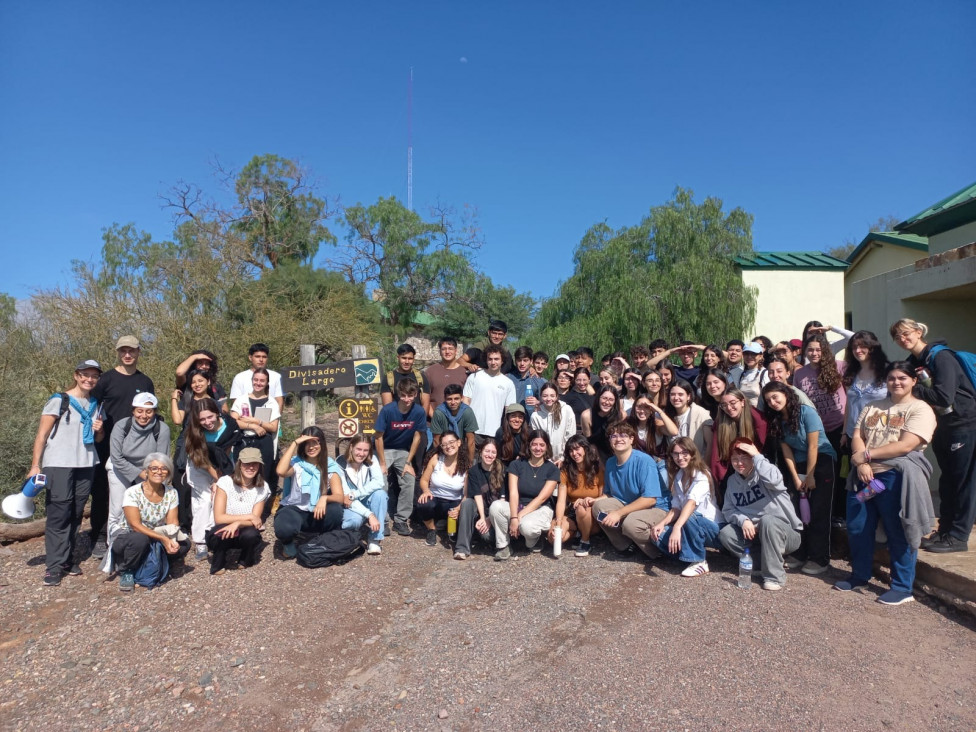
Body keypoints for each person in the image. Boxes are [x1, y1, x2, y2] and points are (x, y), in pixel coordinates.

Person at [838, 361, 937, 604]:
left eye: (902, 378)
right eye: (892, 378)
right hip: (867, 479)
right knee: (858, 526)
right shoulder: (873, 406)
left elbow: (906, 445)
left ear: (913, 381)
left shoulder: (920, 409)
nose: (896, 382)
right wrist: (861, 463)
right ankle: (859, 575)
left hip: (895, 478)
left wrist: (867, 456)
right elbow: (857, 435)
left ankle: (902, 588)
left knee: (898, 530)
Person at [892, 318, 976, 553]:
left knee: (963, 482)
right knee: (947, 481)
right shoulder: (914, 362)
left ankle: (958, 536)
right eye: (897, 337)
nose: (902, 339)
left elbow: (943, 397)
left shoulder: (942, 357)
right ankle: (945, 531)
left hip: (964, 424)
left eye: (906, 333)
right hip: (941, 426)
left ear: (918, 332)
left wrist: (913, 387)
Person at [29, 359, 105, 586]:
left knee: (76, 512)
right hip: (59, 463)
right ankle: (53, 565)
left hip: (86, 463)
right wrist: (35, 465)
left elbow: (98, 439)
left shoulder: (96, 404)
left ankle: (67, 559)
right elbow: (42, 435)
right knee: (59, 512)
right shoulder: (59, 400)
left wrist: (100, 431)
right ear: (76, 375)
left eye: (94, 376)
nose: (89, 379)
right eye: (85, 374)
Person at [89, 336, 155, 560]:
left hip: (137, 448)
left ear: (138, 352)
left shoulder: (145, 381)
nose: (127, 355)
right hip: (106, 444)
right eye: (123, 351)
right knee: (102, 492)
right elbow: (92, 408)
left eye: (132, 351)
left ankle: (136, 533)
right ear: (118, 353)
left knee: (137, 491)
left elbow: (150, 411)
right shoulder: (106, 379)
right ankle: (100, 536)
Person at [762, 381, 837, 575]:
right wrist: (795, 477)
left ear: (786, 394)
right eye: (768, 400)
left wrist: (810, 475)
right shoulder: (777, 420)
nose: (772, 402)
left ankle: (819, 558)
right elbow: (786, 451)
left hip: (821, 460)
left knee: (819, 510)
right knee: (796, 510)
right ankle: (799, 552)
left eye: (775, 397)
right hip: (798, 463)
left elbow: (813, 446)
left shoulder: (806, 412)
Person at [719, 438, 802, 591]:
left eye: (745, 458)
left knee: (768, 521)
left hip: (785, 534)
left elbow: (774, 480)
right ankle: (758, 565)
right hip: (755, 535)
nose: (739, 463)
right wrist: (743, 520)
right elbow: (728, 510)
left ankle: (774, 577)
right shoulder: (732, 481)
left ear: (753, 456)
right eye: (735, 459)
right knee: (726, 533)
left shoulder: (766, 471)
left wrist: (757, 456)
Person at [591, 421, 671, 558]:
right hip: (630, 504)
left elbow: (650, 499)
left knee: (631, 523)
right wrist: (593, 500)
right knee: (599, 507)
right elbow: (610, 494)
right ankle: (626, 545)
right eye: (614, 436)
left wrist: (619, 513)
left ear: (631, 439)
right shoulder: (610, 462)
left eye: (623, 435)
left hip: (657, 507)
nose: (618, 439)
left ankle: (659, 551)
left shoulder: (644, 461)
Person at [108, 453, 188, 590]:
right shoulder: (132, 492)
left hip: (156, 532)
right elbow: (135, 525)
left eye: (164, 468)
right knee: (140, 539)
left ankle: (156, 562)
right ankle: (127, 570)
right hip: (129, 535)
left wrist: (171, 540)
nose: (159, 472)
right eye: (154, 468)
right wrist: (163, 539)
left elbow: (173, 522)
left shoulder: (171, 492)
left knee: (184, 543)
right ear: (146, 471)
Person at [178, 398, 241, 560]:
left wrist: (220, 480)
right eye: (202, 419)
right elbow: (200, 458)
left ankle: (214, 536)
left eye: (210, 417)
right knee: (204, 501)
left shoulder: (230, 425)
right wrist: (216, 478)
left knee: (219, 499)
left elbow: (227, 450)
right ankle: (200, 542)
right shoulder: (194, 431)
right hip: (200, 465)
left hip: (223, 463)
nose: (207, 422)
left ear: (217, 413)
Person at [794, 333, 847, 519]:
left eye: (818, 349)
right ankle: (828, 514)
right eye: (810, 350)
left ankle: (841, 513)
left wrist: (832, 328)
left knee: (842, 473)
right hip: (817, 431)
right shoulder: (800, 374)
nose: (814, 353)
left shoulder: (840, 366)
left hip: (840, 427)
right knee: (824, 474)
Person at [107, 393, 171, 545]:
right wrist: (140, 474)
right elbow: (116, 457)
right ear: (133, 411)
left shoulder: (161, 429)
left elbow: (161, 458)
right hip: (120, 466)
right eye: (139, 411)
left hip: (150, 469)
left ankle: (148, 542)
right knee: (117, 508)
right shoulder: (122, 426)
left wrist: (151, 475)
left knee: (148, 505)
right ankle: (114, 545)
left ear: (154, 412)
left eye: (149, 411)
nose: (144, 415)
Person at [651, 437, 721, 577]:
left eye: (684, 453)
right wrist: (661, 524)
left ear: (692, 454)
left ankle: (699, 561)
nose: (680, 457)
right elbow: (676, 507)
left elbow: (691, 503)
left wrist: (677, 527)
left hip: (712, 529)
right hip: (689, 526)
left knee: (688, 516)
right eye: (676, 454)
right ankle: (687, 556)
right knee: (658, 535)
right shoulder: (679, 476)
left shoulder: (702, 474)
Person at [274, 427, 345, 558]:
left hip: (318, 512)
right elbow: (280, 471)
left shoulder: (330, 465)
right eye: (306, 443)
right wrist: (294, 443)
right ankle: (288, 543)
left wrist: (324, 498)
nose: (311, 447)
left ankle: (323, 538)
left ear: (322, 444)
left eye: (315, 443)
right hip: (296, 510)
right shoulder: (296, 463)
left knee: (336, 511)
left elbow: (340, 497)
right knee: (283, 526)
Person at [489, 430, 560, 559]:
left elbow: (542, 498)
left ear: (547, 447)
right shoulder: (516, 464)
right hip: (519, 506)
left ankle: (534, 541)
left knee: (527, 526)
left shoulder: (552, 469)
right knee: (496, 506)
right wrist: (514, 517)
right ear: (529, 445)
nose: (538, 448)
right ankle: (503, 546)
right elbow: (513, 493)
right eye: (534, 444)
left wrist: (518, 517)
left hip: (541, 509)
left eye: (542, 445)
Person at [374, 377, 428, 536]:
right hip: (384, 448)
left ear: (415, 394)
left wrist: (408, 462)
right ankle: (382, 519)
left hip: (403, 450)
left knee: (409, 480)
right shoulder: (388, 410)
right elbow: (378, 437)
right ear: (398, 394)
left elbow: (417, 437)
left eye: (410, 395)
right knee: (381, 482)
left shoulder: (418, 411)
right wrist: (382, 463)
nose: (407, 399)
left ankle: (401, 519)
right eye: (403, 395)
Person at [207, 447, 270, 575]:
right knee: (220, 533)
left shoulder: (263, 487)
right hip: (222, 527)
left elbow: (256, 521)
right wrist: (248, 516)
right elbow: (219, 518)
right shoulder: (225, 482)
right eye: (247, 463)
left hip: (244, 529)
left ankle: (246, 558)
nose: (251, 467)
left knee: (252, 534)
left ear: (259, 466)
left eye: (255, 464)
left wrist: (238, 523)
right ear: (239, 464)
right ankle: (218, 562)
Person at [708, 387, 767, 504]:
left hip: (756, 466)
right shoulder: (721, 421)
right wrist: (716, 478)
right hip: (732, 467)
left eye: (733, 403)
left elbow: (763, 449)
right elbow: (716, 453)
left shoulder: (757, 419)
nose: (729, 408)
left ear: (742, 402)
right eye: (724, 405)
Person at [229, 368, 281, 500]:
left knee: (263, 475)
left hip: (264, 442)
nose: (258, 383)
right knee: (242, 473)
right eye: (256, 380)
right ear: (252, 381)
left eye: (262, 381)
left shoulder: (272, 402)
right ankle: (241, 502)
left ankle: (261, 505)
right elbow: (233, 422)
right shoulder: (241, 400)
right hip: (243, 441)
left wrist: (257, 421)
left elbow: (273, 427)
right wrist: (252, 426)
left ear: (267, 382)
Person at [549, 434, 604, 556]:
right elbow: (561, 501)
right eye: (571, 450)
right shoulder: (566, 471)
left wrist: (588, 501)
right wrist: (558, 523)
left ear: (585, 449)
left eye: (577, 449)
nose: (574, 453)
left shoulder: (597, 469)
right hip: (572, 512)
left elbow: (603, 498)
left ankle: (585, 541)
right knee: (553, 537)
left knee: (582, 508)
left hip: (591, 514)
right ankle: (575, 534)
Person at [336, 434, 388, 555]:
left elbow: (379, 482)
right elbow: (345, 495)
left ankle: (375, 539)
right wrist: (370, 514)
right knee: (353, 521)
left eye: (365, 450)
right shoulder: (340, 463)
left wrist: (355, 494)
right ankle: (350, 536)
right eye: (358, 449)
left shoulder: (372, 460)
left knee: (380, 494)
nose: (362, 454)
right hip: (349, 504)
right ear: (351, 447)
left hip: (362, 498)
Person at [454, 439, 506, 560]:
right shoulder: (474, 471)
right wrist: (483, 518)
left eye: (493, 452)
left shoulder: (503, 470)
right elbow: (477, 495)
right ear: (481, 452)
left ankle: (493, 541)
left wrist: (489, 519)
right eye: (487, 451)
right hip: (480, 510)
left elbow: (503, 500)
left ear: (497, 454)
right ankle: (462, 548)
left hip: (496, 514)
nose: (489, 455)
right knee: (467, 503)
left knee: (486, 536)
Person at [417, 431, 470, 548]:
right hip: (435, 498)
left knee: (463, 511)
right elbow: (424, 480)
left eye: (451, 442)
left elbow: (467, 494)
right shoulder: (436, 459)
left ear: (459, 442)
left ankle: (449, 526)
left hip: (454, 501)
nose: (448, 446)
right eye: (444, 444)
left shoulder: (466, 465)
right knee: (424, 504)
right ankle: (431, 529)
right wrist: (426, 491)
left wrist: (458, 508)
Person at [842, 331, 889, 451]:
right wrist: (844, 432)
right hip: (853, 435)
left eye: (862, 346)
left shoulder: (887, 372)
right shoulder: (850, 373)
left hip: (880, 435)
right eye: (854, 347)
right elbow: (849, 405)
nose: (857, 350)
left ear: (872, 347)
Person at [462, 344, 516, 447]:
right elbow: (466, 401)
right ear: (486, 360)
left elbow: (509, 410)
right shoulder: (474, 377)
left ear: (502, 361)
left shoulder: (508, 383)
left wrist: (505, 430)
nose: (493, 362)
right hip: (473, 430)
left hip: (494, 432)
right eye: (490, 359)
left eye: (496, 359)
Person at [661, 380, 712, 458]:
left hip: (697, 461)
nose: (676, 398)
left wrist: (705, 464)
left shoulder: (701, 413)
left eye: (680, 394)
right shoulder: (665, 415)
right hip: (674, 461)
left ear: (689, 396)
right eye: (672, 394)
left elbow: (710, 443)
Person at [530, 381, 577, 466]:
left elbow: (570, 435)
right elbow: (536, 440)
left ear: (557, 396)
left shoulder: (566, 410)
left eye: (552, 396)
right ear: (540, 397)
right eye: (545, 396)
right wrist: (547, 460)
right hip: (544, 460)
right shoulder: (536, 416)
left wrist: (563, 458)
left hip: (565, 458)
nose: (549, 399)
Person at [431, 383, 478, 462]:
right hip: (444, 448)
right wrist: (441, 461)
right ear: (445, 398)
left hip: (461, 448)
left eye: (456, 399)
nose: (453, 402)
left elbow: (471, 441)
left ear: (462, 398)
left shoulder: (467, 412)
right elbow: (436, 440)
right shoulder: (439, 413)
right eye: (449, 399)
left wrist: (469, 463)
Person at [229, 343, 284, 411]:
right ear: (250, 357)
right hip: (246, 416)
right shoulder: (239, 378)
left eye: (264, 357)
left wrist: (276, 416)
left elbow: (279, 401)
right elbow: (236, 403)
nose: (261, 359)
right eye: (257, 356)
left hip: (270, 415)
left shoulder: (276, 376)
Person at [381, 343, 431, 413]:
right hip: (396, 418)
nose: (407, 362)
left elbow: (425, 405)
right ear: (398, 358)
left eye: (410, 359)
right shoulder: (389, 378)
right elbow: (387, 407)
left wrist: (421, 418)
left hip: (417, 417)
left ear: (413, 359)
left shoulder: (421, 378)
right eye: (404, 358)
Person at [424, 337, 468, 415]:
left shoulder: (464, 372)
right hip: (434, 419)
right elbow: (425, 398)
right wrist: (435, 417)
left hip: (458, 419)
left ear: (456, 351)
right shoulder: (430, 371)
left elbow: (466, 399)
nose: (447, 352)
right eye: (444, 349)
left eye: (450, 349)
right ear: (440, 351)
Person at [582, 384, 625, 461]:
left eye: (611, 399)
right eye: (604, 398)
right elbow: (589, 441)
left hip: (615, 451)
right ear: (598, 398)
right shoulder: (587, 415)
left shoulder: (621, 415)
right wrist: (600, 462)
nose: (607, 402)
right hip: (595, 452)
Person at [508, 345, 545, 416]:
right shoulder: (508, 378)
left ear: (531, 361)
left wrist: (538, 402)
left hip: (529, 420)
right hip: (510, 419)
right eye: (519, 360)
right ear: (515, 361)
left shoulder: (538, 381)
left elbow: (546, 402)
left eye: (525, 360)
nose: (522, 364)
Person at [563, 367, 596, 433]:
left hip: (594, 432)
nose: (581, 383)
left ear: (589, 380)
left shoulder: (595, 396)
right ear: (574, 380)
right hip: (578, 432)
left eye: (584, 380)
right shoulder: (568, 397)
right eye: (578, 380)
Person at [738, 342, 769, 408]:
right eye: (746, 354)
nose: (749, 357)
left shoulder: (764, 373)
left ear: (760, 356)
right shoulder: (742, 374)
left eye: (753, 354)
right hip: (745, 412)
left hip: (759, 412)